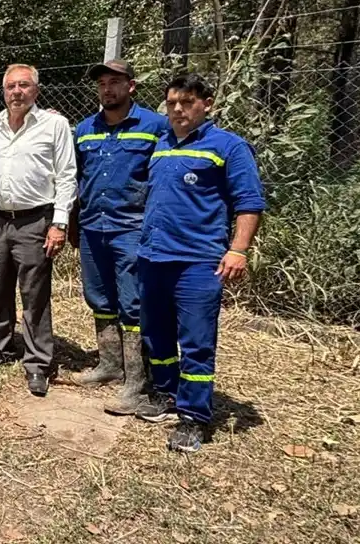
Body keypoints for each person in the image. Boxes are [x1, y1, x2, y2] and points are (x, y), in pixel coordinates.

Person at [135, 73, 265, 453]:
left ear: (206, 104)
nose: (178, 109)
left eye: (187, 102)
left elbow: (249, 202)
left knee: (195, 342)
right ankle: (165, 393)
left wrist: (238, 249)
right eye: (172, 102)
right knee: (156, 333)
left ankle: (194, 417)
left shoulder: (228, 146)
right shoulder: (160, 146)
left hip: (197, 262)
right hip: (153, 257)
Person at [0, 64, 77, 397]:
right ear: (3, 91)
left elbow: (66, 176)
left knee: (35, 295)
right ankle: (2, 349)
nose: (17, 92)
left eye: (24, 85)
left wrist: (59, 223)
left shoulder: (54, 125)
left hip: (34, 221)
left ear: (36, 90)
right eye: (11, 86)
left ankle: (38, 363)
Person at [70, 60, 167, 415]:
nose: (107, 89)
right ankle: (110, 365)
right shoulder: (84, 130)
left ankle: (137, 381)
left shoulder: (155, 128)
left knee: (133, 303)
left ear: (131, 86)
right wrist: (72, 222)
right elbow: (76, 179)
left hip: (133, 228)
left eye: (114, 82)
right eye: (102, 84)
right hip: (93, 226)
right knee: (99, 298)